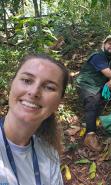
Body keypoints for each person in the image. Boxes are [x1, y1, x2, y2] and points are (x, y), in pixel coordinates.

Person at [0, 54, 68, 185]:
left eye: (49, 87)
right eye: (26, 80)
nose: (34, 92)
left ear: (59, 101)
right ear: (11, 84)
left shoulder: (49, 154)